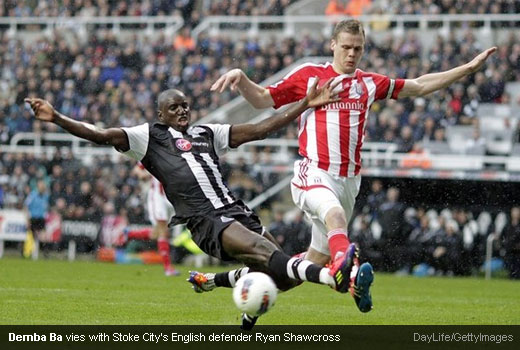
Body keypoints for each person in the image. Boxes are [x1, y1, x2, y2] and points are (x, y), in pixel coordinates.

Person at [211, 19, 497, 313]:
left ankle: (232, 288)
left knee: (306, 268)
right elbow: (261, 99)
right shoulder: (311, 76)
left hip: (348, 182)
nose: (351, 54)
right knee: (335, 217)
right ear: (333, 45)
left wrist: (467, 69)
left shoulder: (369, 83)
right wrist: (241, 78)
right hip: (314, 172)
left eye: (357, 49)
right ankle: (350, 277)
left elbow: (419, 86)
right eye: (346, 47)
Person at [25, 80, 351, 329]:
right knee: (270, 256)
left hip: (237, 212)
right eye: (174, 108)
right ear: (160, 114)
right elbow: (100, 135)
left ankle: (216, 287)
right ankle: (334, 278)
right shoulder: (148, 136)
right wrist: (57, 118)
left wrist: (305, 103)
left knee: (281, 278)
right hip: (206, 221)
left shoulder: (206, 132)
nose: (182, 111)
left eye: (185, 106)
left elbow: (261, 129)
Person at [131, 163, 180, 276]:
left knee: (157, 233)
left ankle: (129, 234)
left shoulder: (177, 151)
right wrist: (144, 175)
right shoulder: (156, 151)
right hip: (158, 198)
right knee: (163, 232)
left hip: (171, 199)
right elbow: (137, 169)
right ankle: (168, 268)